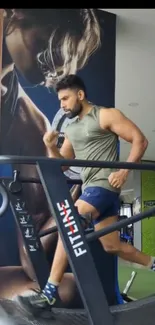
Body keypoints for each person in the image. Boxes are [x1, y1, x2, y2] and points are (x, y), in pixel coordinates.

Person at [17, 74, 155, 310]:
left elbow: (139, 141)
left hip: (104, 184)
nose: (62, 105)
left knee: (66, 223)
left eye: (65, 98)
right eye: (60, 100)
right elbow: (62, 165)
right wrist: (51, 146)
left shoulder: (106, 114)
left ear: (80, 95)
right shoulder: (71, 127)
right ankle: (153, 263)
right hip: (92, 188)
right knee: (112, 246)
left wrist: (123, 172)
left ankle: (50, 291)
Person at [0, 9, 101, 303]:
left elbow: (34, 267)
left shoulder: (31, 125)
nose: (62, 66)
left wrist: (66, 206)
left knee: (65, 287)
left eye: (70, 58)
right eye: (54, 45)